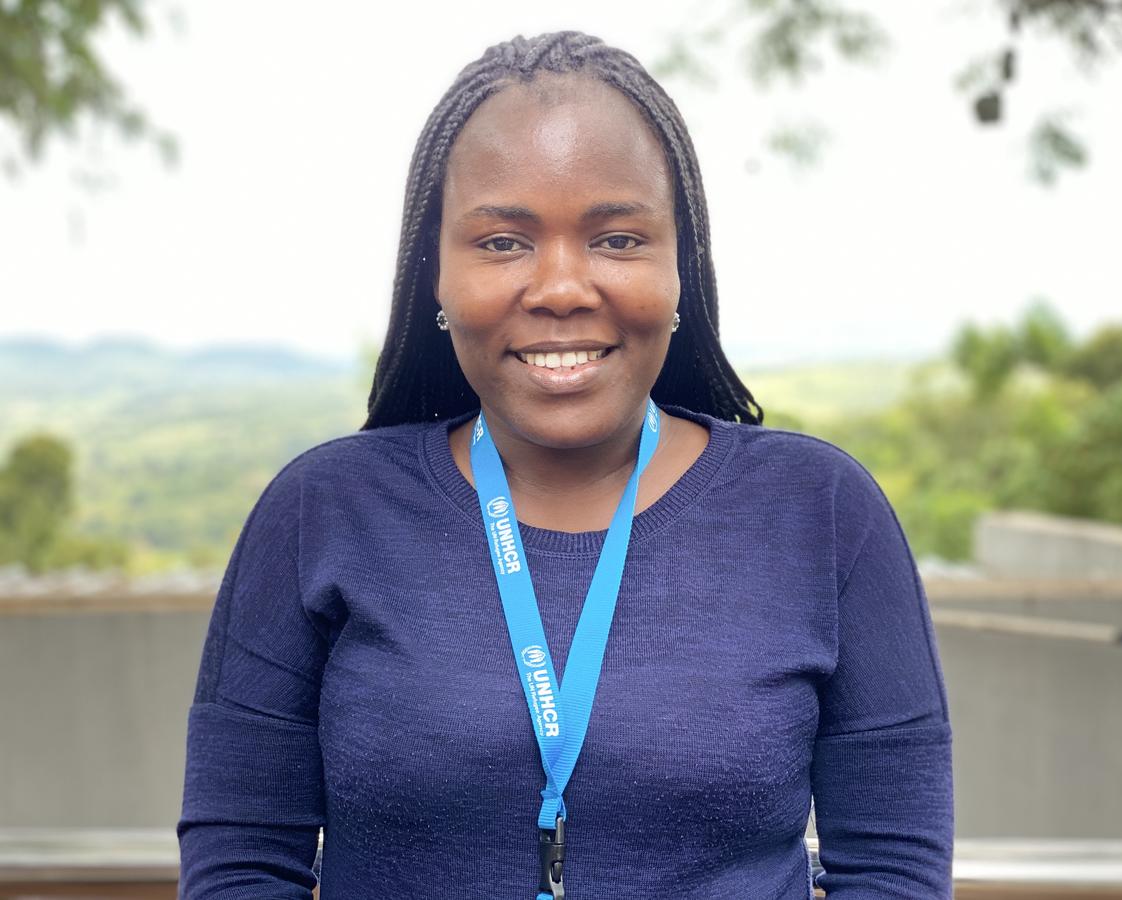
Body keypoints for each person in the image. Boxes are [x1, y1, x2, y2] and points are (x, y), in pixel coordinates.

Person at [176, 30, 953, 899]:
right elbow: (241, 865)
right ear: (434, 276)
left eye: (617, 239)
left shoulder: (821, 513)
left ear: (682, 268)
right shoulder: (320, 512)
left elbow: (892, 873)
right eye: (502, 242)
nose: (559, 288)